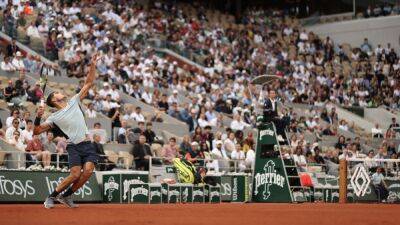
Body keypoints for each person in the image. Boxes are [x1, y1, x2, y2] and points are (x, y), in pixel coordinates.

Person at [33, 54, 100, 209]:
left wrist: (93, 65)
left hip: (87, 144)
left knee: (88, 171)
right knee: (75, 174)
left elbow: (89, 83)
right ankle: (51, 196)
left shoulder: (73, 101)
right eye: (56, 92)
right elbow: (36, 131)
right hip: (74, 146)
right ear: (54, 100)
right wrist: (37, 117)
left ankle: (67, 196)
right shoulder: (54, 117)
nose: (59, 92)